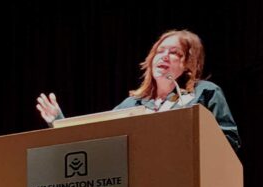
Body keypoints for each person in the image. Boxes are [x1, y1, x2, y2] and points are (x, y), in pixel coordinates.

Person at [36, 29, 240, 150]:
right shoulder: (132, 104)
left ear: (189, 63)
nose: (165, 56)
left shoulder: (205, 93)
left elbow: (229, 141)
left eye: (175, 52)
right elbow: (98, 139)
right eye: (160, 51)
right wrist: (59, 121)